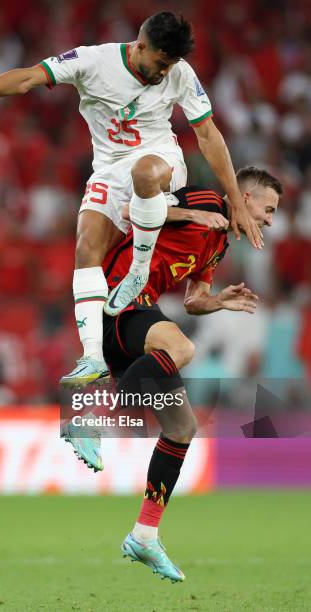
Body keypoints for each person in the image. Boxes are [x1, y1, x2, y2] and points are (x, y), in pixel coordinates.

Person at [0, 12, 263, 388]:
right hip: (109, 170)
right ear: (140, 45)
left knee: (143, 172)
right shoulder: (92, 61)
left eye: (171, 65)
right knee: (86, 248)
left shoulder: (180, 72)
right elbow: (27, 78)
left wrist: (236, 201)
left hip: (161, 159)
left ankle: (137, 273)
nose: (165, 73)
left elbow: (208, 135)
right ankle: (93, 356)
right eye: (160, 63)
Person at [62, 166, 282, 582]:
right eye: (267, 209)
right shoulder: (206, 202)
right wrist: (195, 215)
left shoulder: (218, 243)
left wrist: (218, 301)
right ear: (245, 198)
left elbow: (194, 300)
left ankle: (144, 534)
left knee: (182, 428)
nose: (270, 220)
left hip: (140, 317)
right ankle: (91, 421)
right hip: (115, 297)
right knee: (181, 347)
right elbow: (132, 208)